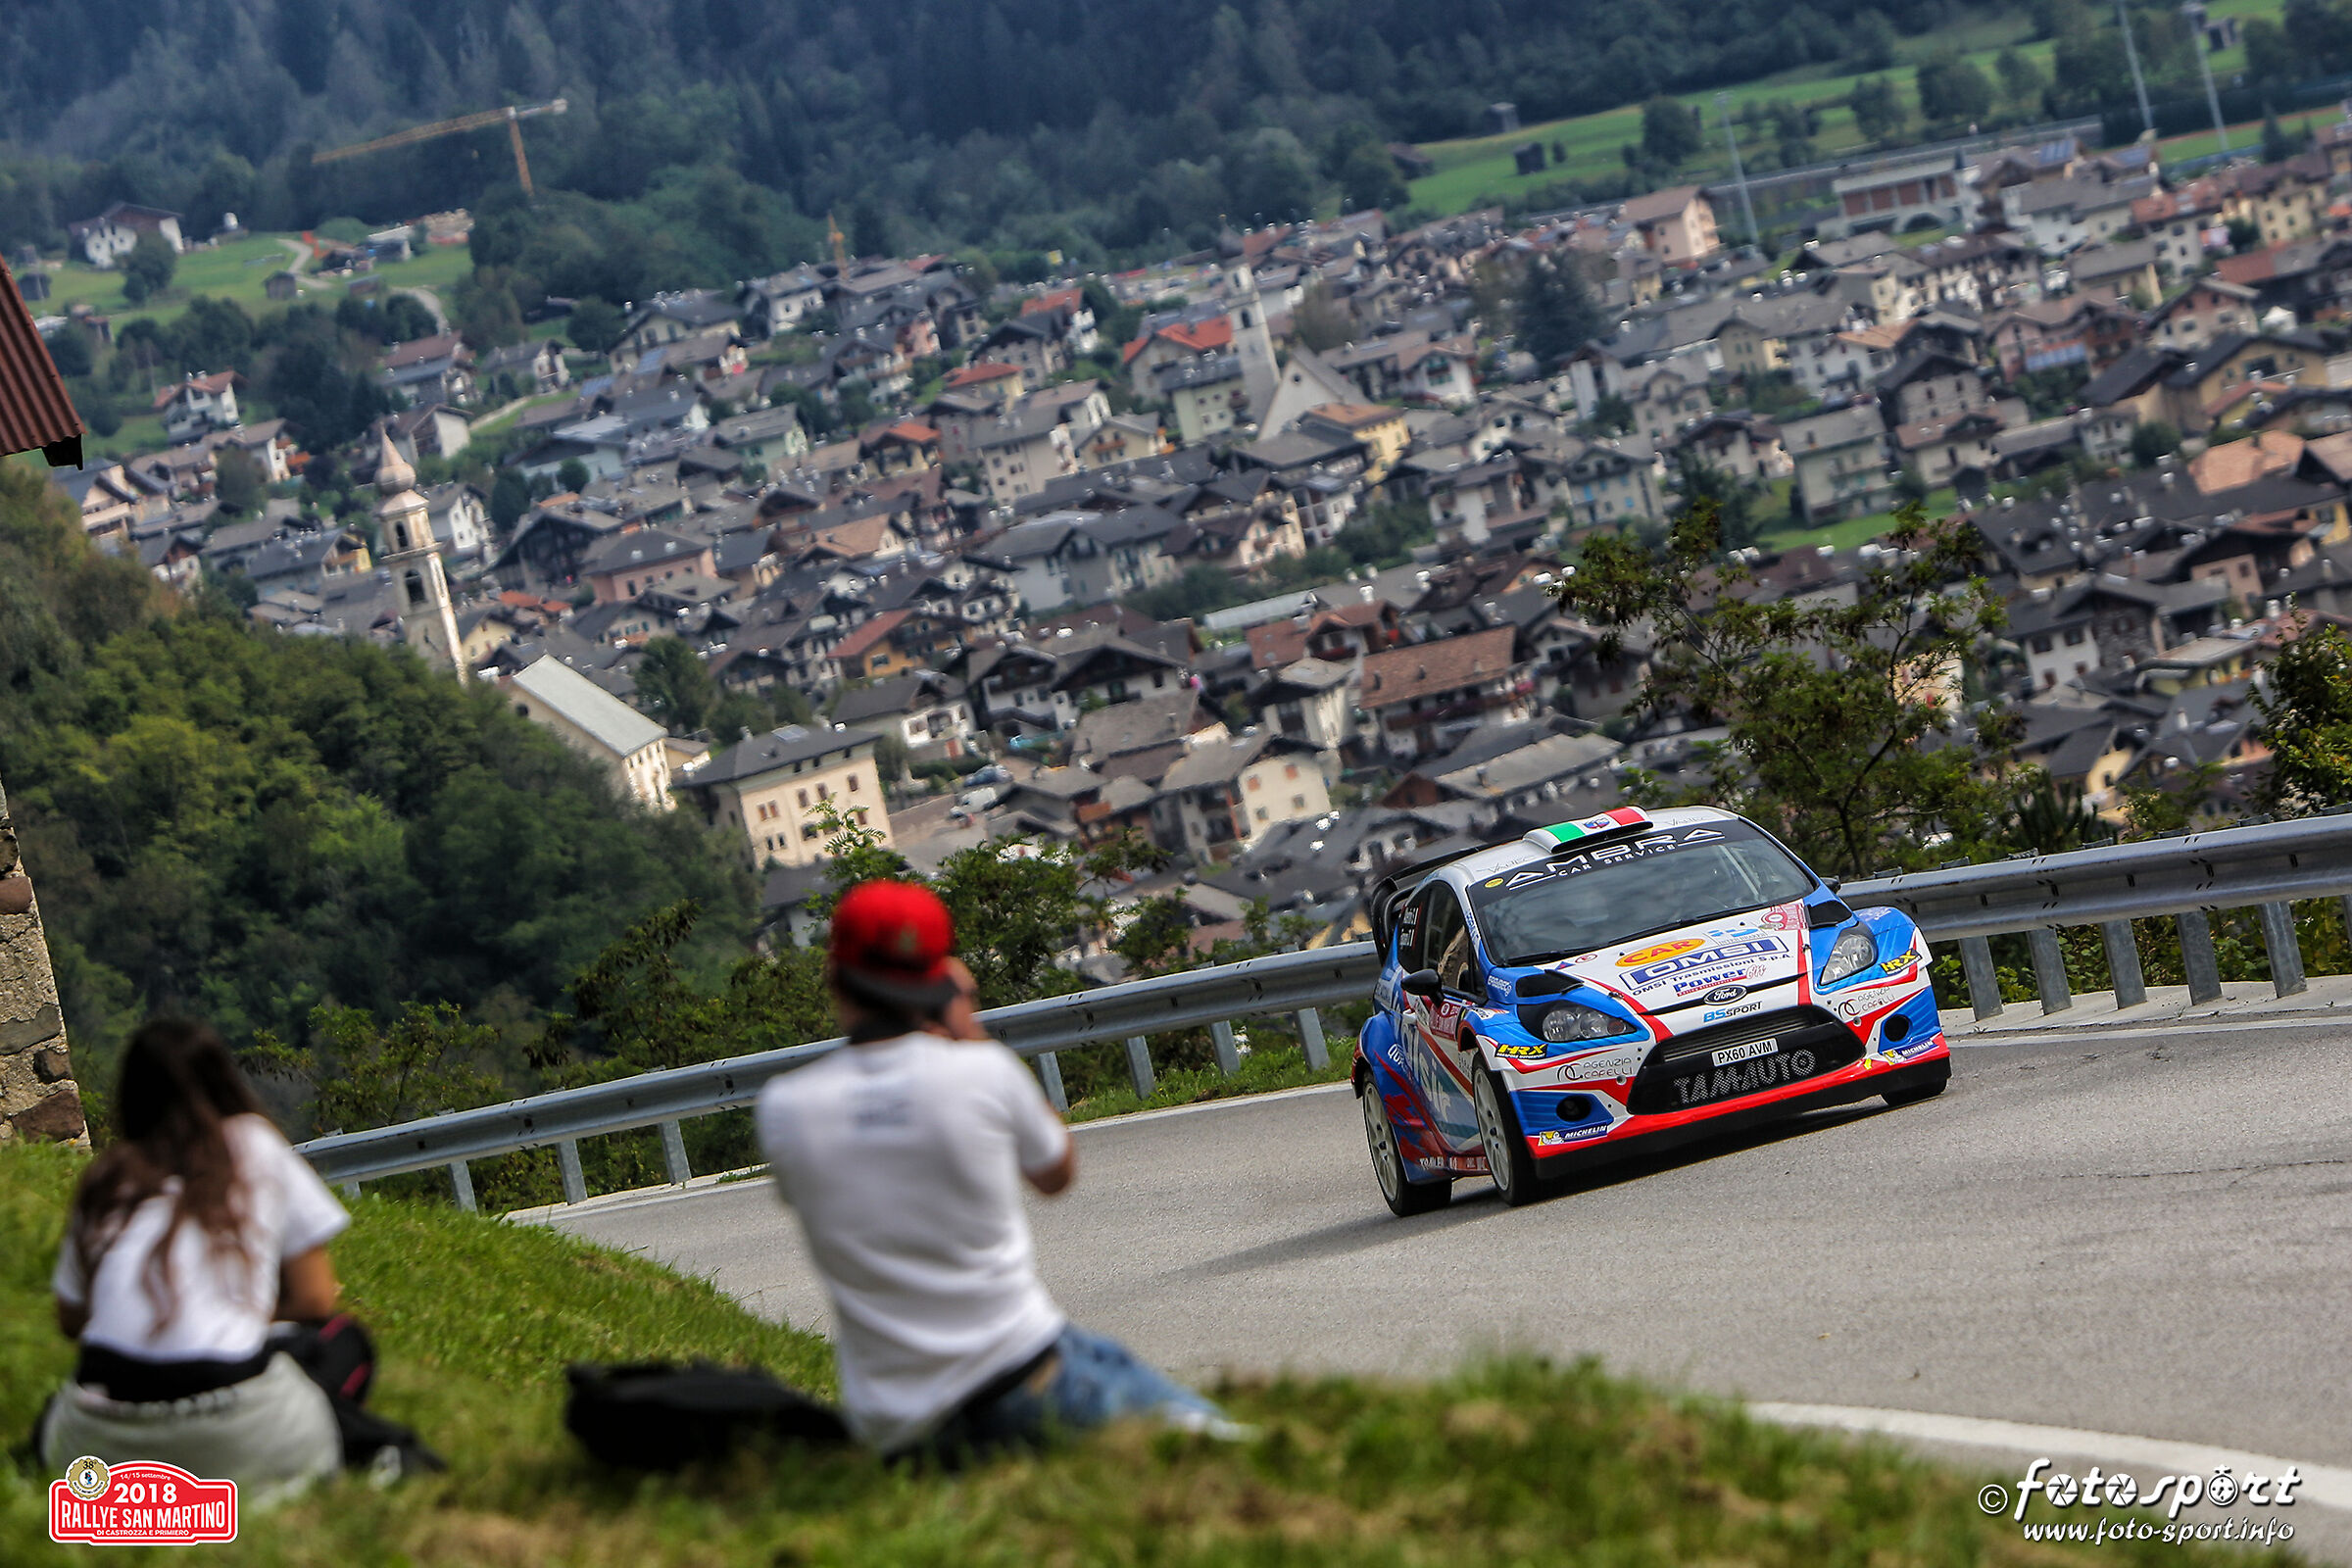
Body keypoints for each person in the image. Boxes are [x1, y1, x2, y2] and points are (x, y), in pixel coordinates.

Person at [756, 879, 1237, 1459]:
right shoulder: (981, 1071)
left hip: (898, 1429)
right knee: (1231, 1445)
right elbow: (1056, 1173)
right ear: (939, 978)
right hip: (1024, 1377)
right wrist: (968, 1030)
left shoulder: (785, 1108)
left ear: (836, 976)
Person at [42, 1018, 360, 1503]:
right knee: (344, 1342)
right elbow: (317, 1299)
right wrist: (239, 1311)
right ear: (222, 1079)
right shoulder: (253, 1142)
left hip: (94, 1439)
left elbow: (71, 1320)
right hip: (237, 1423)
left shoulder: (108, 1175)